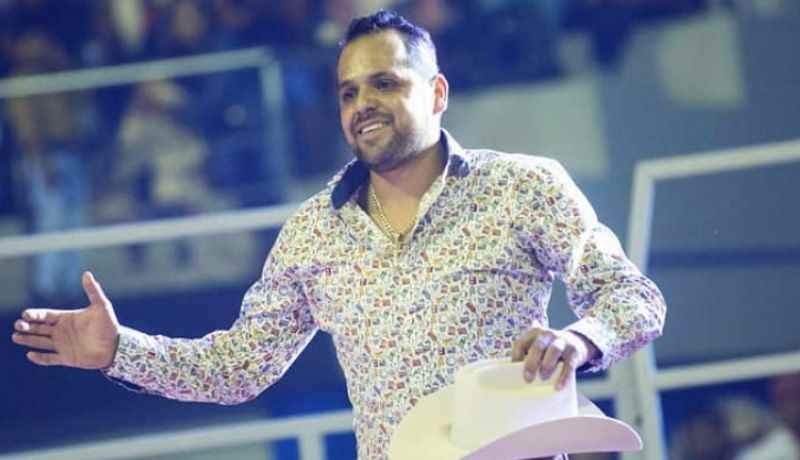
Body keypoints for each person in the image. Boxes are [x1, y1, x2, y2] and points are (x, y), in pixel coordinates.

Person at [11, 11, 666, 460]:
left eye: (385, 83)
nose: (363, 105)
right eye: (348, 93)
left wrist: (580, 339)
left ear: (437, 93)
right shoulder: (312, 233)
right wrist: (119, 351)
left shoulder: (522, 186)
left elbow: (634, 298)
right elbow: (237, 368)